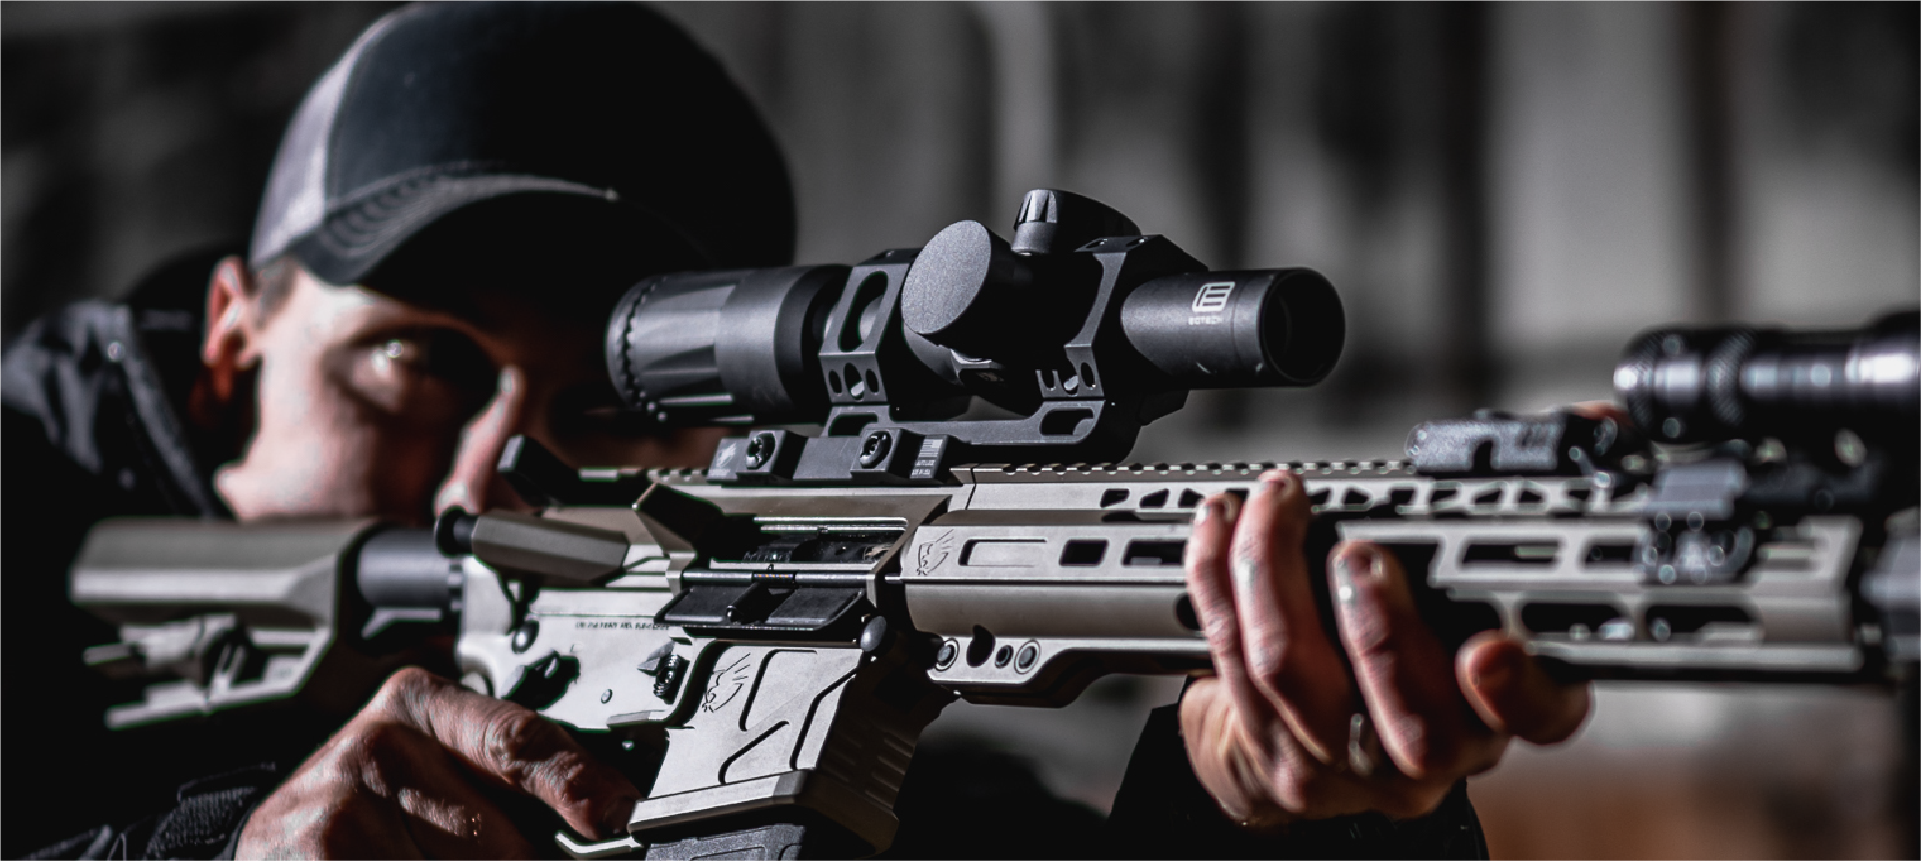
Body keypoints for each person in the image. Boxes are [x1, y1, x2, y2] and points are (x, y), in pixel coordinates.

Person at [1, 2, 1588, 859]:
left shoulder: (770, 735)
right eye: (420, 364)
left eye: (612, 410)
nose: (506, 467)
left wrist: (1261, 817)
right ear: (232, 343)